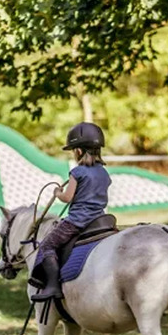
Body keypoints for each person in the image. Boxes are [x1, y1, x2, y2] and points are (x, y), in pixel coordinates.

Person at [29, 122, 112, 302]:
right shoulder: (104, 172)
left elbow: (67, 198)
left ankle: (52, 286)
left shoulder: (77, 172)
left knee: (47, 245)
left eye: (74, 150)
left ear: (79, 152)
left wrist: (57, 192)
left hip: (78, 221)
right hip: (99, 219)